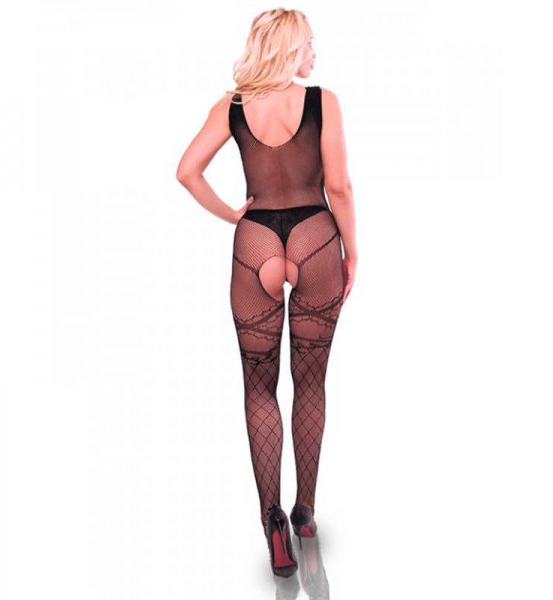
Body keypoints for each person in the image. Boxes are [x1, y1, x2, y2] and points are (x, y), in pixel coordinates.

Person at [176, 8, 357, 578]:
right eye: (309, 44)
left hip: (256, 243)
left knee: (259, 389)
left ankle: (272, 522)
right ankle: (305, 512)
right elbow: (338, 186)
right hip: (315, 238)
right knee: (311, 383)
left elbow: (187, 171)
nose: (314, 54)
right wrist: (352, 252)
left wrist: (234, 214)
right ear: (289, 47)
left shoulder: (232, 106)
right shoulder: (322, 102)